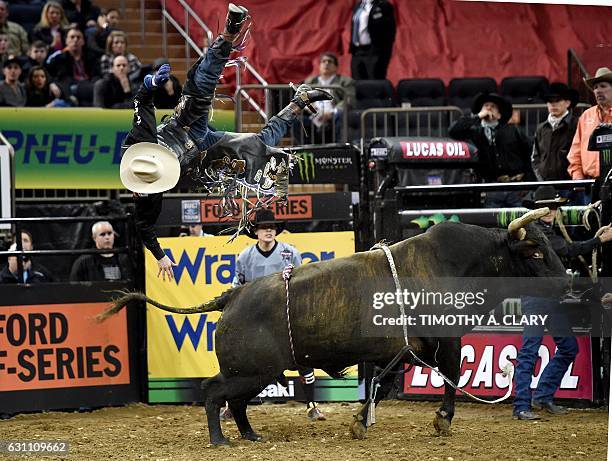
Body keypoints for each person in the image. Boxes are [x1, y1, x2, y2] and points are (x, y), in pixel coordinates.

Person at [119, 3, 333, 281]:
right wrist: (161, 257)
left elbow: (142, 102)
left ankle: (229, 33)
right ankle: (298, 102)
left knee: (201, 87)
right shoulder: (150, 194)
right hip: (201, 152)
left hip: (183, 125)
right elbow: (143, 226)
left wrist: (149, 83)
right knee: (257, 146)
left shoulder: (139, 142)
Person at [513, 186, 612, 420]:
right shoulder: (533, 231)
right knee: (530, 350)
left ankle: (542, 396)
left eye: (554, 207)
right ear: (537, 210)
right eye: (547, 207)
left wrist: (595, 239)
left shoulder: (541, 229)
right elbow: (565, 249)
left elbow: (565, 248)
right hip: (537, 298)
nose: (551, 211)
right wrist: (597, 240)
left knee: (567, 348)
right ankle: (521, 405)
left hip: (547, 299)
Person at [230, 208, 326, 421]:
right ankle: (233, 403)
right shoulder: (245, 256)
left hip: (286, 312)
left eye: (272, 227)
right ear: (255, 231)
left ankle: (311, 405)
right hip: (256, 315)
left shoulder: (290, 252)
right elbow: (237, 285)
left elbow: (303, 282)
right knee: (240, 357)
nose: (268, 231)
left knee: (303, 354)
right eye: (264, 227)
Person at [448, 92, 533, 207]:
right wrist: (477, 117)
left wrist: (528, 183)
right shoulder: (475, 132)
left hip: (516, 187)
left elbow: (529, 154)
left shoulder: (513, 130)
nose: (488, 108)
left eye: (493, 107)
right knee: (491, 221)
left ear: (499, 114)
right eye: (485, 106)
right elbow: (453, 131)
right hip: (492, 188)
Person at [567, 67, 612, 181]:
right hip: (590, 182)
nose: (598, 90)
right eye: (595, 87)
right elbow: (575, 151)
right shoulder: (586, 116)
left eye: (603, 86)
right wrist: (577, 175)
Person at [300, 52, 355, 143]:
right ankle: (305, 150)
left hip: (333, 115)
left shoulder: (345, 81)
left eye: (330, 61)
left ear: (336, 67)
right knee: (296, 120)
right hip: (313, 115)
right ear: (319, 66)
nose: (326, 64)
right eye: (323, 61)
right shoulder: (310, 81)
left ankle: (339, 148)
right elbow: (302, 98)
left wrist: (331, 113)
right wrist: (309, 108)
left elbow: (349, 99)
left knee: (340, 116)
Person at [531, 83, 579, 181]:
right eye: (549, 101)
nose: (553, 104)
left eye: (557, 100)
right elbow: (535, 157)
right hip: (546, 183)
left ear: (567, 103)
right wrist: (541, 180)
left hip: (569, 183)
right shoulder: (541, 128)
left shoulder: (577, 124)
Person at [46, 26, 100, 101]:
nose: (75, 40)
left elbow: (97, 75)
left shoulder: (92, 57)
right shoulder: (59, 58)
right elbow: (48, 73)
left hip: (89, 85)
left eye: (78, 37)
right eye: (72, 37)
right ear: (66, 41)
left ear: (83, 41)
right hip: (69, 88)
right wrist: (51, 84)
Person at [349, 0, 396, 80]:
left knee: (374, 80)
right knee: (357, 80)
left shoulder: (383, 5)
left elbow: (390, 30)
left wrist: (384, 51)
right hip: (357, 51)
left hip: (374, 51)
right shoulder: (358, 6)